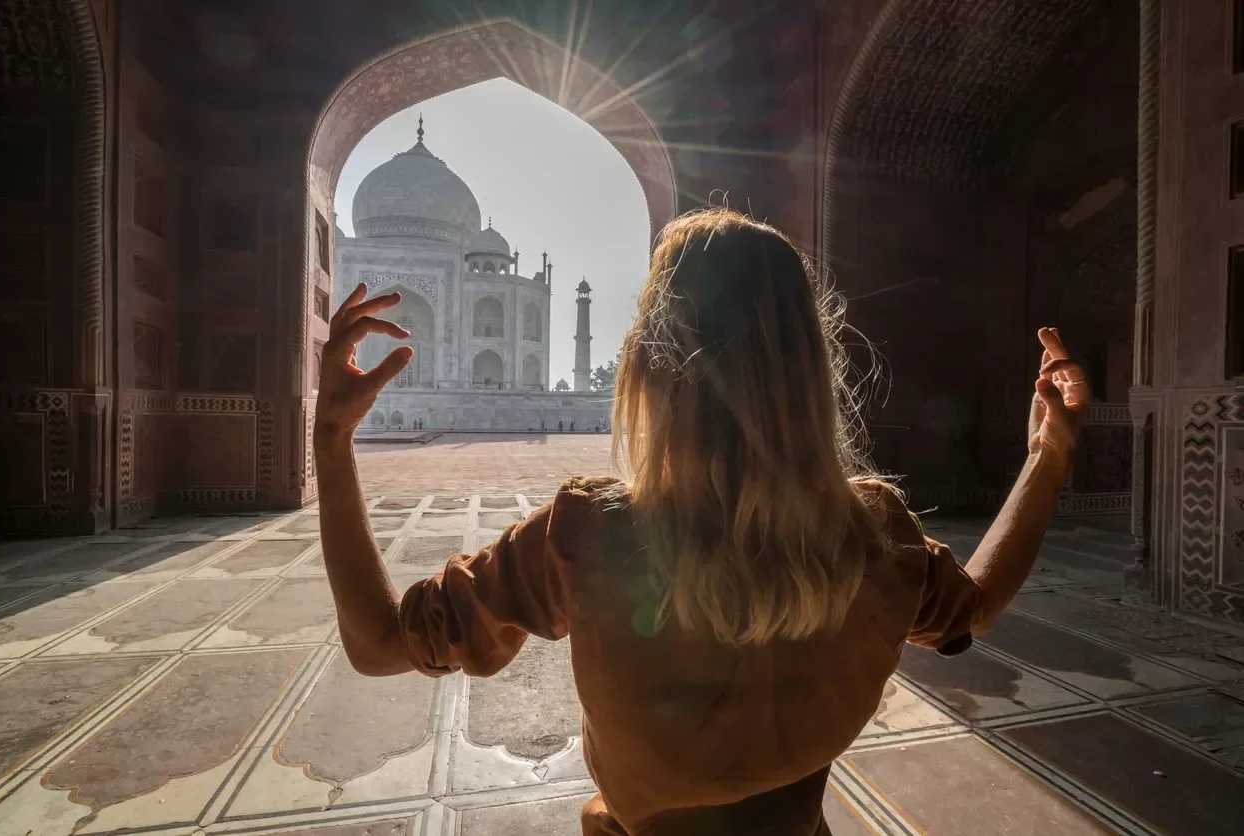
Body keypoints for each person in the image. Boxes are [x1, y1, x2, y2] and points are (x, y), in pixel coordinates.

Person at [313, 208, 1089, 836]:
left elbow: (380, 644)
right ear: (812, 365)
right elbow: (976, 606)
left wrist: (331, 440)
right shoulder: (873, 534)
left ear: (650, 362)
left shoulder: (594, 534)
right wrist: (1046, 457)